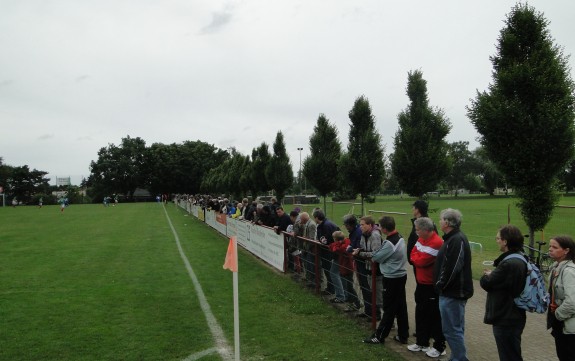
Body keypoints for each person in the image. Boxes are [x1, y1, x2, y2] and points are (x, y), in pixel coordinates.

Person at [479, 225, 527, 361]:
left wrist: (487, 276)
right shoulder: (519, 258)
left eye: (498, 238)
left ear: (505, 241)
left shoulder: (509, 263)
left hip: (506, 317)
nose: (497, 241)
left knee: (509, 355)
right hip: (512, 315)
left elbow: (487, 283)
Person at [434, 208, 473, 361]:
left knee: (452, 330)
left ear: (448, 222)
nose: (439, 222)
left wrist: (440, 284)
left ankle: (460, 359)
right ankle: (457, 357)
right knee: (454, 329)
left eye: (441, 219)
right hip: (450, 292)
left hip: (453, 293)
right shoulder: (451, 238)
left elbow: (452, 267)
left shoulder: (457, 240)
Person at [364, 216, 409, 345]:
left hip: (392, 278)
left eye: (380, 226)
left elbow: (376, 257)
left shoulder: (390, 242)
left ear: (383, 229)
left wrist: (375, 255)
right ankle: (403, 335)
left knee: (389, 308)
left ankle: (379, 336)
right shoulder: (399, 236)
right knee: (401, 307)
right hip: (400, 275)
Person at [407, 217, 446, 358]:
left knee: (434, 316)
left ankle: (440, 346)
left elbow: (421, 261)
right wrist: (417, 257)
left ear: (425, 230)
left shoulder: (436, 242)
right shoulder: (421, 239)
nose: (416, 233)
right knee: (421, 313)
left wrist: (417, 257)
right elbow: (412, 255)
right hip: (421, 284)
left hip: (431, 285)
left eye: (417, 230)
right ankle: (422, 342)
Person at [547, 235, 575, 361]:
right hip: (561, 326)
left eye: (554, 247)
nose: (550, 249)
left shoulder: (569, 271)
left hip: (570, 328)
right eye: (549, 246)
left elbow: (572, 302)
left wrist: (557, 314)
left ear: (566, 250)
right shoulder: (556, 268)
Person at [353, 215, 382, 320]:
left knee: (378, 293)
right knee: (371, 290)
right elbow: (362, 247)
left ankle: (378, 315)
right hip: (368, 267)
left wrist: (360, 253)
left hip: (377, 269)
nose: (360, 227)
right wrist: (359, 250)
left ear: (370, 225)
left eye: (362, 225)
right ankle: (372, 313)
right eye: (360, 225)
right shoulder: (363, 234)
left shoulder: (375, 235)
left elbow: (376, 254)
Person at [329, 230, 360, 308]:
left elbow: (335, 248)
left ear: (335, 239)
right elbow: (332, 246)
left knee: (349, 286)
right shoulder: (345, 242)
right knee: (347, 285)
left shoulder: (344, 245)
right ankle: (350, 301)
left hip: (347, 267)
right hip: (344, 267)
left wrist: (336, 245)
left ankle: (356, 303)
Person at [313, 209, 339, 296]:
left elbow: (326, 240)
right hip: (327, 251)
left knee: (329, 270)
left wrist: (320, 241)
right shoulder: (325, 224)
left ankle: (331, 289)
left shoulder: (326, 226)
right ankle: (331, 288)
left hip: (328, 252)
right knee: (328, 270)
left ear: (317, 218)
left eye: (314, 218)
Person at [299, 212, 317, 287]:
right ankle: (309, 278)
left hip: (310, 248)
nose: (300, 220)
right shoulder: (306, 223)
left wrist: (307, 248)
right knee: (307, 264)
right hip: (306, 248)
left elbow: (312, 239)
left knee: (311, 265)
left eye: (301, 218)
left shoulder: (311, 224)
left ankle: (313, 282)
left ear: (304, 218)